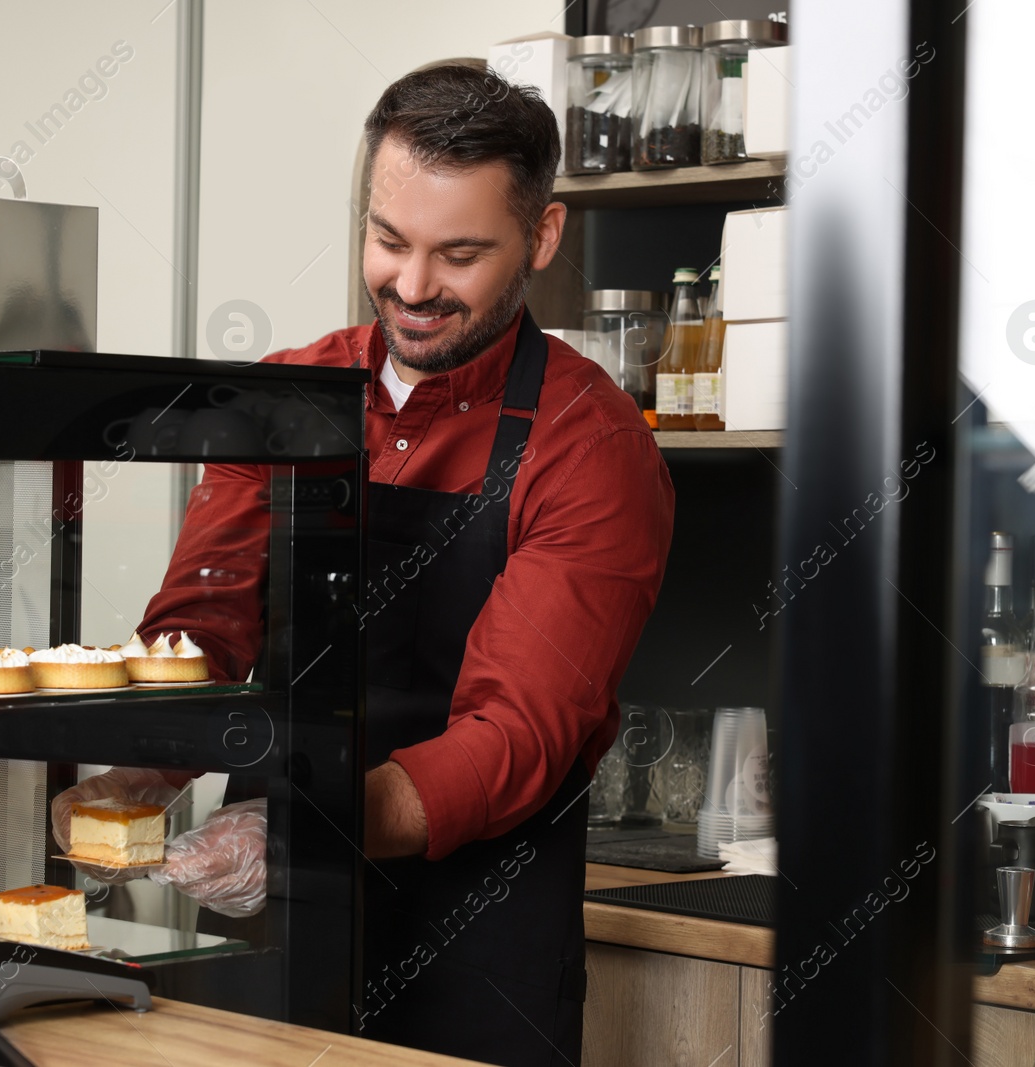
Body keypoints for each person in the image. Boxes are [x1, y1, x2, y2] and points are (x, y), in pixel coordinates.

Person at [52, 64, 675, 1066]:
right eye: (388, 241)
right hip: (266, 940)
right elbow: (204, 633)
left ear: (543, 238)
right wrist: (133, 770)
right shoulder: (289, 393)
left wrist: (299, 827)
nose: (414, 285)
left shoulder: (587, 444)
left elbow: (515, 732)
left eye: (459, 253)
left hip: (478, 953)